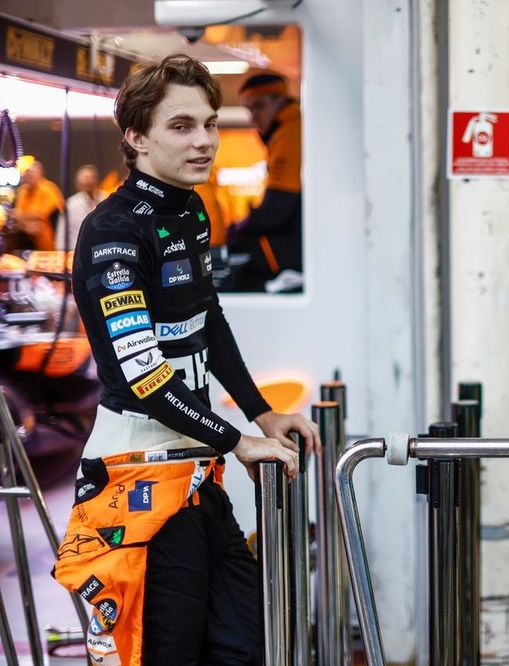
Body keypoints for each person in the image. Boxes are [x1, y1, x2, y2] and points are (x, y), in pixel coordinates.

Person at [52, 54, 319, 666]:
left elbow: (207, 319)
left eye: (210, 123)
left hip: (196, 470)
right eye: (181, 126)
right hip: (134, 479)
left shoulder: (190, 209)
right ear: (137, 138)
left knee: (246, 644)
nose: (204, 141)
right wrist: (239, 441)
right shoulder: (112, 231)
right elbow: (144, 377)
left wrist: (262, 413)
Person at [225, 71, 302, 292]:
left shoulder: (289, 133)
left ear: (280, 101)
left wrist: (237, 231)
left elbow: (278, 207)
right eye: (248, 109)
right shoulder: (290, 128)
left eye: (259, 106)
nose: (253, 117)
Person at [11, 159, 64, 251]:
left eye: (30, 173)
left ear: (39, 173)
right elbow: (17, 215)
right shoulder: (23, 191)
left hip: (49, 246)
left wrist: (24, 217)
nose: (27, 176)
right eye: (25, 174)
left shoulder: (49, 190)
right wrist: (28, 226)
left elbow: (42, 215)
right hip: (27, 244)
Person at [56, 164, 106, 250]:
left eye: (91, 178)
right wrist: (61, 251)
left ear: (96, 180)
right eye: (85, 179)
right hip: (76, 251)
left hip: (102, 250)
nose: (88, 181)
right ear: (78, 184)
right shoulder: (70, 204)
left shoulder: (106, 200)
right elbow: (61, 234)